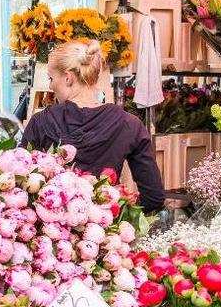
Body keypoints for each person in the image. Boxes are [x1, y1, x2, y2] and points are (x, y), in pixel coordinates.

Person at [20, 40, 165, 214]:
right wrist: (116, 213)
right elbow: (154, 198)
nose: (50, 86)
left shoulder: (41, 122)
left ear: (68, 77)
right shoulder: (130, 124)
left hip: (53, 235)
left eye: (51, 78)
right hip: (106, 233)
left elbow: (20, 186)